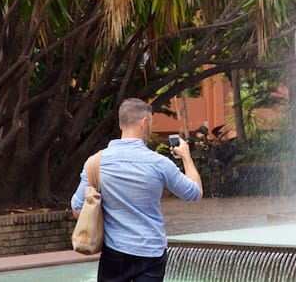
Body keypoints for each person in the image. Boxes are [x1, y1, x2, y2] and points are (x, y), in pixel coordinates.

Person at [71, 98, 202, 282]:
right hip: (151, 253)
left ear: (120, 123)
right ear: (144, 122)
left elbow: (77, 210)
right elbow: (194, 193)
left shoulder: (95, 163)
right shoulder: (159, 163)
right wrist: (186, 156)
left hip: (114, 252)